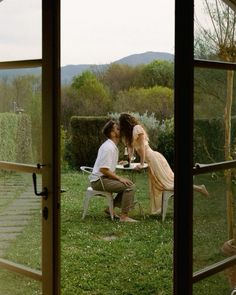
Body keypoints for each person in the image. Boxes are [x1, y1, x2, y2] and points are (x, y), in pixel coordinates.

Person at [119, 113, 209, 215]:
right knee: (161, 184)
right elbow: (130, 151)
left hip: (153, 158)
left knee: (168, 184)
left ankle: (199, 188)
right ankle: (162, 208)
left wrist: (141, 163)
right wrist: (128, 162)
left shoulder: (137, 129)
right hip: (149, 161)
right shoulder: (129, 135)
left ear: (125, 124)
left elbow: (143, 148)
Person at [89, 119, 138, 222]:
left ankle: (109, 208)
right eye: (117, 128)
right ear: (112, 133)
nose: (120, 130)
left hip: (102, 178)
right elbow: (103, 169)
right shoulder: (108, 148)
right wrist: (119, 178)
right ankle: (124, 217)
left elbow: (106, 166)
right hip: (99, 181)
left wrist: (116, 164)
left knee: (127, 182)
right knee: (130, 186)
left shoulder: (111, 146)